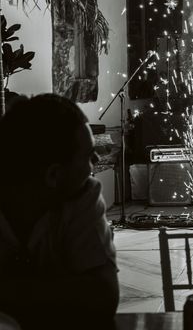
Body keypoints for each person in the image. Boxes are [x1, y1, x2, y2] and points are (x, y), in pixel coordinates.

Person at [0, 94, 119, 328]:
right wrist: (65, 289)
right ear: (53, 175)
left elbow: (103, 295)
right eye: (88, 155)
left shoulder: (83, 195)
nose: (96, 159)